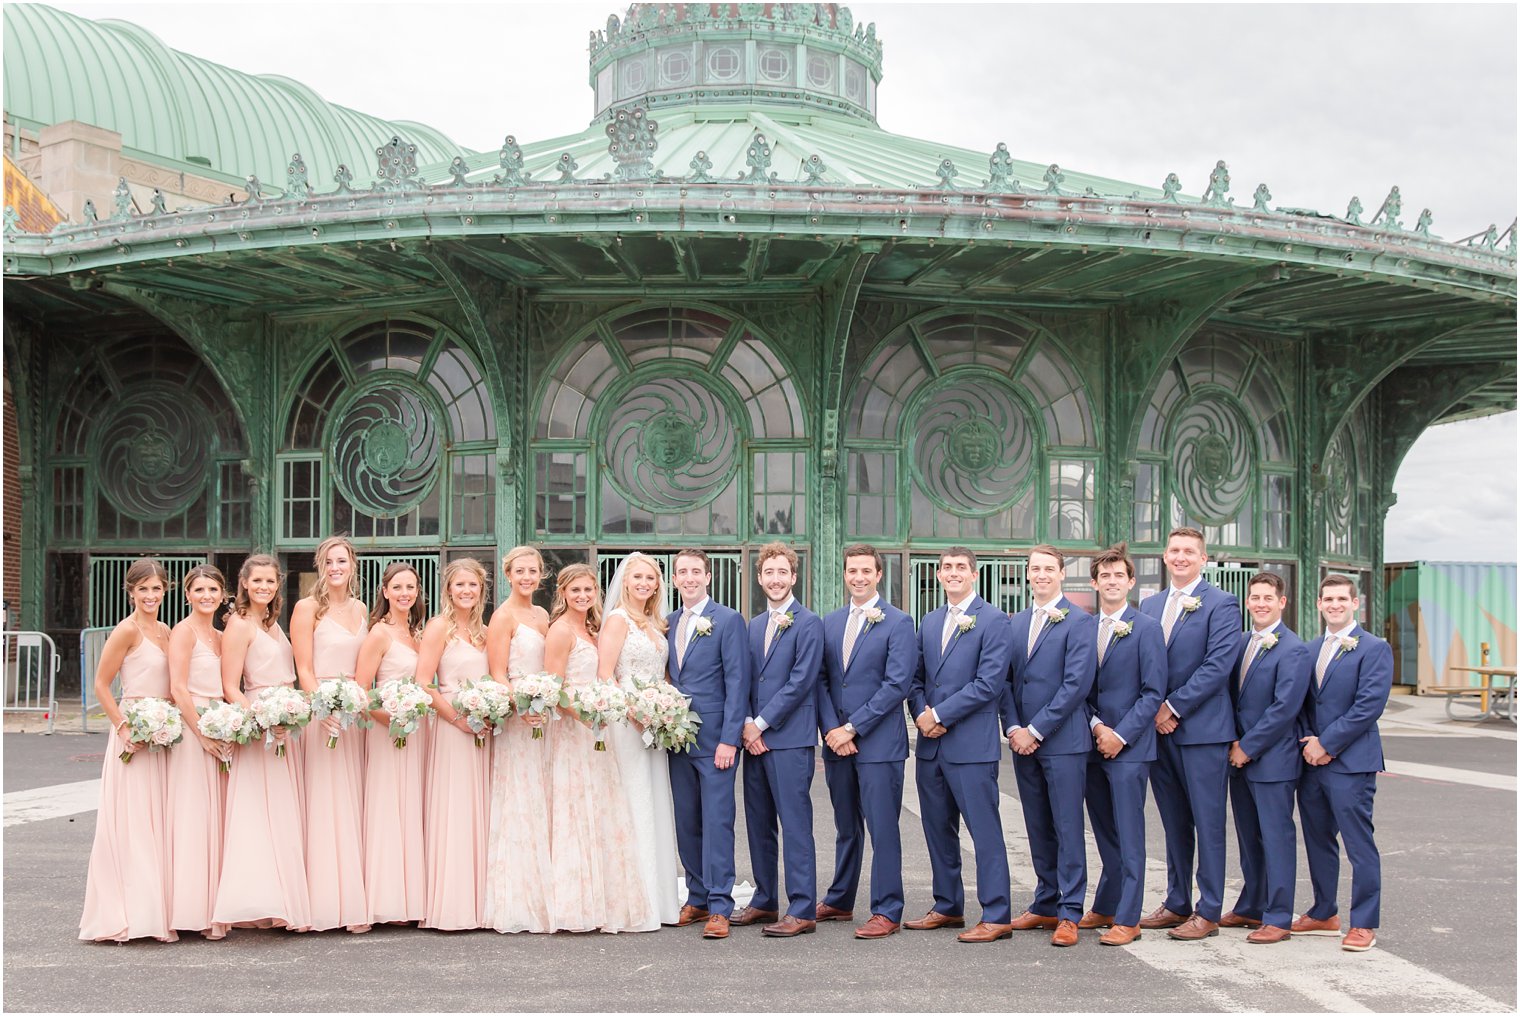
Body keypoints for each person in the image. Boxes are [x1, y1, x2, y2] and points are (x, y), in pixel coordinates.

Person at [904, 547, 1015, 943]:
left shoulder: (994, 621)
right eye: (947, 568)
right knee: (938, 829)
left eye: (960, 568)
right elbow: (915, 678)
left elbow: (989, 684)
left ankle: (997, 913)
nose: (953, 573)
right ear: (938, 575)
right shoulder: (930, 622)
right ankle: (948, 905)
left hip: (971, 745)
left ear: (974, 573)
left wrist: (939, 715)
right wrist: (920, 714)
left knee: (984, 832)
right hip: (931, 746)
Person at [1137, 527, 1240, 941]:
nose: (1180, 557)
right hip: (1158, 733)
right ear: (1165, 556)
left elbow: (1218, 666)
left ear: (1203, 558)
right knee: (1174, 821)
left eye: (1189, 552)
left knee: (1208, 821)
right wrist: (1152, 711)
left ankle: (1209, 908)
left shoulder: (1222, 604)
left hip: (1202, 731)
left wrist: (1172, 707)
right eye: (1174, 550)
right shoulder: (1149, 604)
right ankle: (1177, 900)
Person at [816, 543, 918, 940]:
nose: (858, 577)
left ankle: (887, 909)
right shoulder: (831, 622)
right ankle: (841, 898)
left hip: (877, 744)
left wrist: (853, 728)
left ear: (878, 575)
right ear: (845, 575)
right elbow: (822, 681)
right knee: (845, 826)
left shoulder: (898, 622)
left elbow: (897, 685)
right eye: (851, 570)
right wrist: (831, 730)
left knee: (882, 827)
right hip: (836, 743)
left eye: (865, 571)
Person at [543, 564, 650, 933]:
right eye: (576, 591)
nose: (583, 596)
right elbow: (553, 690)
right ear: (563, 593)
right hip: (575, 731)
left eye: (589, 590)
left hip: (598, 730)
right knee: (574, 812)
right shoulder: (559, 631)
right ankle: (573, 903)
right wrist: (585, 716)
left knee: (600, 811)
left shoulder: (592, 628)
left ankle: (602, 896)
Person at [1001, 545, 1097, 947]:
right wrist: (1012, 728)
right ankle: (1045, 901)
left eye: (1048, 569)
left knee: (1067, 825)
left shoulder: (1080, 621)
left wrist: (1035, 729)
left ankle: (1071, 911)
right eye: (1034, 569)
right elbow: (1004, 681)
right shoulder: (1016, 622)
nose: (1040, 575)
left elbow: (1076, 685)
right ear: (1027, 575)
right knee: (1037, 825)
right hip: (1023, 742)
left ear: (1061, 574)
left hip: (1063, 741)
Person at [212, 554, 312, 932]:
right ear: (244, 584)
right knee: (257, 815)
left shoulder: (272, 624)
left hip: (283, 724)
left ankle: (281, 899)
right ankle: (255, 901)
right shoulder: (239, 624)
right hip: (261, 730)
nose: (264, 588)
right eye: (257, 582)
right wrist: (263, 719)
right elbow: (229, 686)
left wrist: (289, 713)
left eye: (270, 582)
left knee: (281, 815)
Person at [79, 557, 177, 943]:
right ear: (131, 591)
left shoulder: (167, 631)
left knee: (159, 822)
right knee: (134, 822)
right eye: (143, 589)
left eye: (156, 589)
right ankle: (133, 914)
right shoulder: (126, 631)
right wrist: (122, 726)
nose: (150, 596)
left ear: (164, 591)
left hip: (164, 732)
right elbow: (102, 685)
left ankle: (158, 910)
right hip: (134, 731)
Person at [1295, 574, 1392, 953]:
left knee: (1358, 843)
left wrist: (1328, 743)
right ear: (1318, 604)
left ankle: (1364, 923)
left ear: (1355, 603)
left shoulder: (1374, 648)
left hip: (1350, 762)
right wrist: (1309, 742)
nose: (1334, 604)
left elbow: (1369, 705)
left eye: (1341, 598)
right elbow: (1302, 702)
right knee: (1318, 840)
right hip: (1311, 760)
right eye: (1328, 599)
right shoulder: (1311, 648)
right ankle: (1323, 912)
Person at [1079, 544, 1166, 947]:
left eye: (1119, 576)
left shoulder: (1146, 627)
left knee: (1130, 833)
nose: (1111, 582)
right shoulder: (1084, 626)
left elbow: (1153, 692)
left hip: (1130, 747)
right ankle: (1107, 902)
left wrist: (1120, 734)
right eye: (1105, 576)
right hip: (1093, 742)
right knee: (1104, 831)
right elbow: (1080, 689)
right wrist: (1097, 727)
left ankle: (1128, 917)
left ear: (1131, 582)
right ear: (1095, 583)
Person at [736, 542, 823, 937]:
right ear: (759, 578)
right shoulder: (752, 625)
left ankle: (802, 908)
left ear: (793, 576)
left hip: (788, 739)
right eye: (769, 573)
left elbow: (801, 681)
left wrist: (762, 723)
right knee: (758, 823)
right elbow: (741, 680)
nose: (776, 579)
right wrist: (745, 726)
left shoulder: (808, 623)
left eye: (782, 572)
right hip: (753, 741)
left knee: (795, 823)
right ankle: (765, 899)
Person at [665, 548, 750, 940]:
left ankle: (720, 905)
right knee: (687, 820)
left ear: (708, 576)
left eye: (696, 571)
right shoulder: (667, 623)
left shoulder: (728, 620)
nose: (689, 577)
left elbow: (737, 683)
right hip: (675, 737)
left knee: (717, 822)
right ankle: (696, 897)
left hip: (715, 738)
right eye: (682, 572)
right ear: (675, 578)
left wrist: (729, 739)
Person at [1223, 571, 1311, 944]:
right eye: (1255, 597)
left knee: (1276, 837)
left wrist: (1248, 746)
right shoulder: (1241, 642)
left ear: (1282, 602)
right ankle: (1251, 904)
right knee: (1248, 836)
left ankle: (1278, 916)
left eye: (1267, 598)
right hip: (1237, 756)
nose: (1260, 603)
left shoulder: (1294, 649)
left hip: (1272, 758)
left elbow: (1284, 708)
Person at [290, 535, 370, 933]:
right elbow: (303, 667)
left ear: (352, 564)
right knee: (322, 803)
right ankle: (317, 904)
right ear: (320, 567)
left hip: (353, 713)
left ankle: (350, 899)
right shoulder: (307, 609)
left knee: (350, 803)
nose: (336, 567)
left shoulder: (361, 609)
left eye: (342, 560)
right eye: (328, 561)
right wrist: (320, 707)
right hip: (319, 712)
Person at [598, 552, 681, 928]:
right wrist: (635, 713)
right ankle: (630, 897)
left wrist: (665, 711)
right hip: (627, 723)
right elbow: (605, 675)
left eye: (651, 578)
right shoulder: (617, 621)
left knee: (653, 800)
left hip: (654, 724)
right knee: (631, 801)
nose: (645, 584)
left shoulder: (655, 623)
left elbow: (662, 677)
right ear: (625, 582)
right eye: (638, 578)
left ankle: (656, 893)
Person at [416, 558, 493, 931]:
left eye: (473, 585)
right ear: (448, 589)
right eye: (460, 585)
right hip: (451, 728)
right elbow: (424, 683)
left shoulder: (485, 631)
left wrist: (489, 712)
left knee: (481, 810)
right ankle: (452, 903)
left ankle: (481, 902)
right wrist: (457, 719)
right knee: (455, 810)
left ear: (482, 590)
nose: (466, 591)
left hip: (483, 730)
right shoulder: (438, 627)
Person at [483, 546, 555, 934]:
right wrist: (520, 704)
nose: (527, 577)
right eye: (520, 571)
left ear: (540, 575)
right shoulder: (502, 617)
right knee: (520, 800)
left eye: (533, 571)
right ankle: (518, 896)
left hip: (544, 717)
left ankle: (545, 887)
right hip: (519, 719)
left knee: (543, 799)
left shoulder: (543, 615)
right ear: (508, 574)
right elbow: (497, 672)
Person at [353, 562, 428, 926]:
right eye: (397, 587)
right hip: (387, 733)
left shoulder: (417, 632)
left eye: (410, 587)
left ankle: (409, 899)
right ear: (384, 592)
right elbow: (361, 690)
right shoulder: (379, 634)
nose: (404, 593)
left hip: (415, 732)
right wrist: (393, 721)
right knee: (387, 809)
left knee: (409, 809)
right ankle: (384, 900)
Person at [165, 563, 233, 941]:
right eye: (199, 590)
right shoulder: (183, 632)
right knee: (193, 818)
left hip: (221, 726)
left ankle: (214, 910)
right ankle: (187, 910)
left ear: (222, 594)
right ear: (188, 595)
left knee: (217, 818)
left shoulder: (222, 637)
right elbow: (178, 688)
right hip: (194, 733)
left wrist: (227, 726)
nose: (206, 596)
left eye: (213, 590)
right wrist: (202, 733)